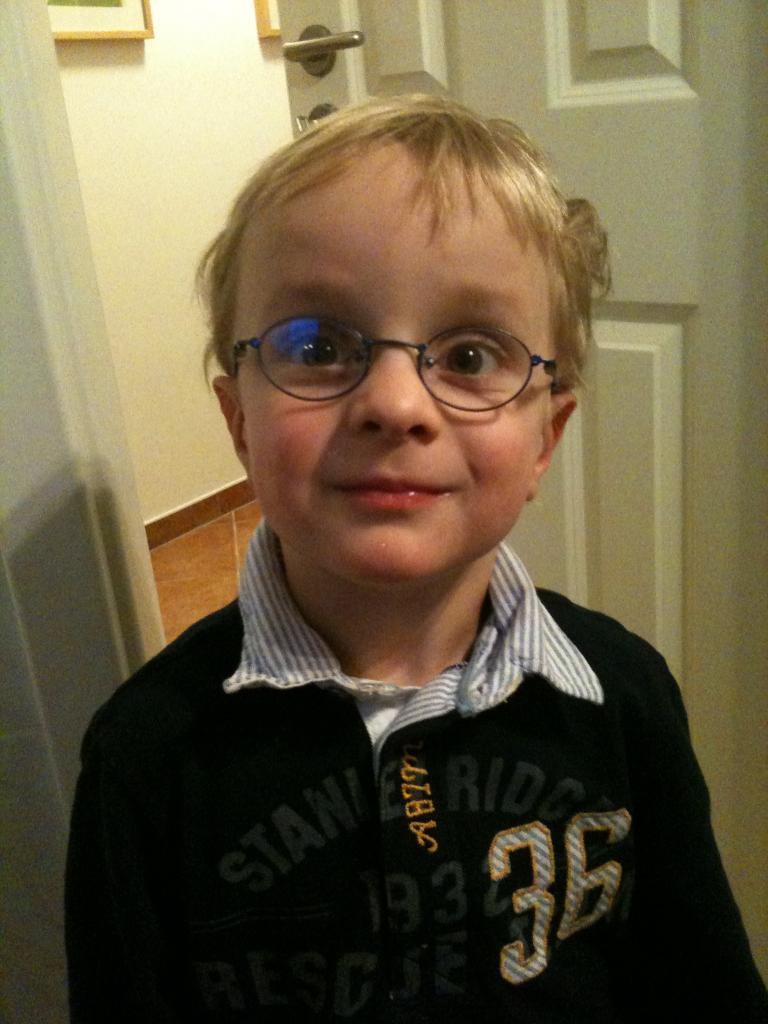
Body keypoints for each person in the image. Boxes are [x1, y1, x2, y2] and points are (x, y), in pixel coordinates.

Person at [65, 95, 767, 1023]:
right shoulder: (147, 754)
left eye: (470, 355)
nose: (396, 405)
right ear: (240, 421)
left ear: (546, 437)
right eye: (318, 345)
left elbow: (704, 989)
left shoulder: (623, 698)